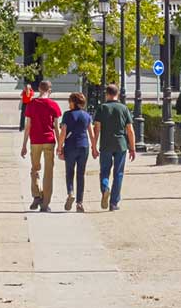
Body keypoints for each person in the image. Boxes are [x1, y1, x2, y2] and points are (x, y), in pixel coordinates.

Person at [92, 83, 136, 211]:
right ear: (117, 94)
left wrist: (94, 146)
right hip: (121, 144)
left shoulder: (102, 108)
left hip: (105, 144)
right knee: (118, 173)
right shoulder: (123, 108)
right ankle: (114, 203)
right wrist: (132, 148)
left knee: (104, 171)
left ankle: (105, 188)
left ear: (107, 94)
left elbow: (96, 129)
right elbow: (130, 130)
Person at [21, 79, 62, 212]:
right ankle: (45, 204)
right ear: (50, 90)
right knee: (48, 172)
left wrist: (24, 145)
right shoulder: (53, 105)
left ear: (39, 89)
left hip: (35, 141)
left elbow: (28, 126)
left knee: (35, 169)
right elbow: (56, 127)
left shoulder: (31, 104)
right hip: (49, 140)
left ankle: (37, 194)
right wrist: (60, 144)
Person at [57, 91, 95, 212]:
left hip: (71, 146)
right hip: (84, 146)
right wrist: (94, 147)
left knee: (69, 172)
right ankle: (79, 203)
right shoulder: (87, 115)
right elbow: (91, 133)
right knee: (81, 174)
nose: (69, 103)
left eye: (69, 101)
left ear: (73, 102)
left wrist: (59, 146)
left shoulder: (67, 115)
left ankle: (70, 192)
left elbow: (63, 132)